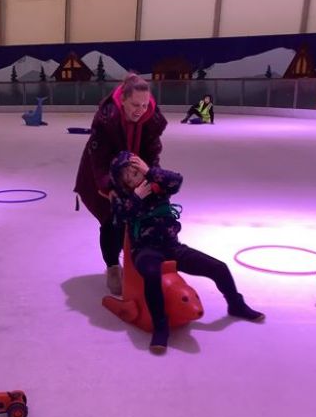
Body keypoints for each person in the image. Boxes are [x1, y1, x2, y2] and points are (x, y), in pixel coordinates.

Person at [109, 151, 264, 352]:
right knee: (151, 273)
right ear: (122, 183)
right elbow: (119, 219)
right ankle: (160, 325)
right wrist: (136, 198)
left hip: (172, 246)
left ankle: (235, 304)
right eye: (128, 177)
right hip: (145, 250)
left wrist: (150, 171)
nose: (134, 177)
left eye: (135, 171)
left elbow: (176, 181)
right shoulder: (122, 198)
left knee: (218, 267)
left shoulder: (157, 184)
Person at [74, 73, 168, 295]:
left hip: (133, 173)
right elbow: (99, 159)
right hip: (100, 173)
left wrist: (153, 177)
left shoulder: (152, 119)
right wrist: (108, 188)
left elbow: (152, 153)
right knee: (112, 219)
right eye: (135, 104)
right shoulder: (106, 119)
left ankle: (139, 260)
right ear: (123, 100)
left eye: (144, 105)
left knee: (140, 214)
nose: (140, 110)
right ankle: (113, 267)